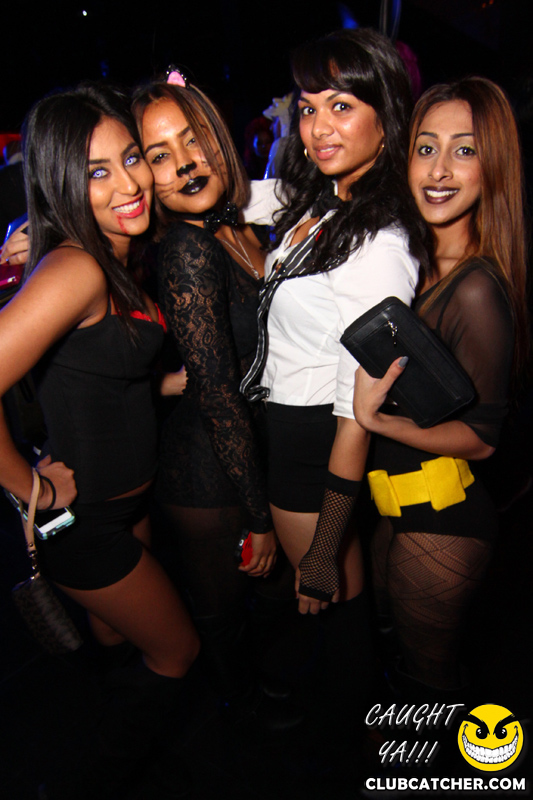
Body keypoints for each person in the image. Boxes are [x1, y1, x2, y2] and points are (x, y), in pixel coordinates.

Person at [0, 84, 199, 798]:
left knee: (116, 642)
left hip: (124, 505)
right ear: (61, 180)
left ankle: (120, 741)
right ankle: (100, 778)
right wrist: (29, 486)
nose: (129, 184)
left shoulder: (115, 255)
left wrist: (164, 385)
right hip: (81, 523)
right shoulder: (77, 266)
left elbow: (96, 369)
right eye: (96, 171)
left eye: (131, 158)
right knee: (177, 652)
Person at [242, 28, 428, 612]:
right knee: (335, 612)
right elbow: (223, 197)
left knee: (331, 609)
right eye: (308, 109)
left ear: (386, 117)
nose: (318, 128)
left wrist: (324, 550)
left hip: (315, 446)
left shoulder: (380, 244)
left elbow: (357, 415)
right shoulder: (324, 200)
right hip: (286, 424)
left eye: (341, 107)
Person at [353, 77, 528, 692]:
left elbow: (482, 439)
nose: (439, 170)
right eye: (426, 148)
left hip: (446, 522)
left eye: (465, 149)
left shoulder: (476, 288)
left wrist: (378, 420)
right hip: (396, 507)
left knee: (429, 685)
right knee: (395, 662)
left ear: (493, 165)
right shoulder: (411, 265)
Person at [131, 74, 291, 722]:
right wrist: (259, 516)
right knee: (223, 614)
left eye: (191, 139)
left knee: (268, 601)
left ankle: (260, 697)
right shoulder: (187, 248)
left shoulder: (238, 228)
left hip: (248, 452)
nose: (184, 163)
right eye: (159, 154)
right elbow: (219, 396)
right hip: (207, 475)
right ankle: (240, 714)